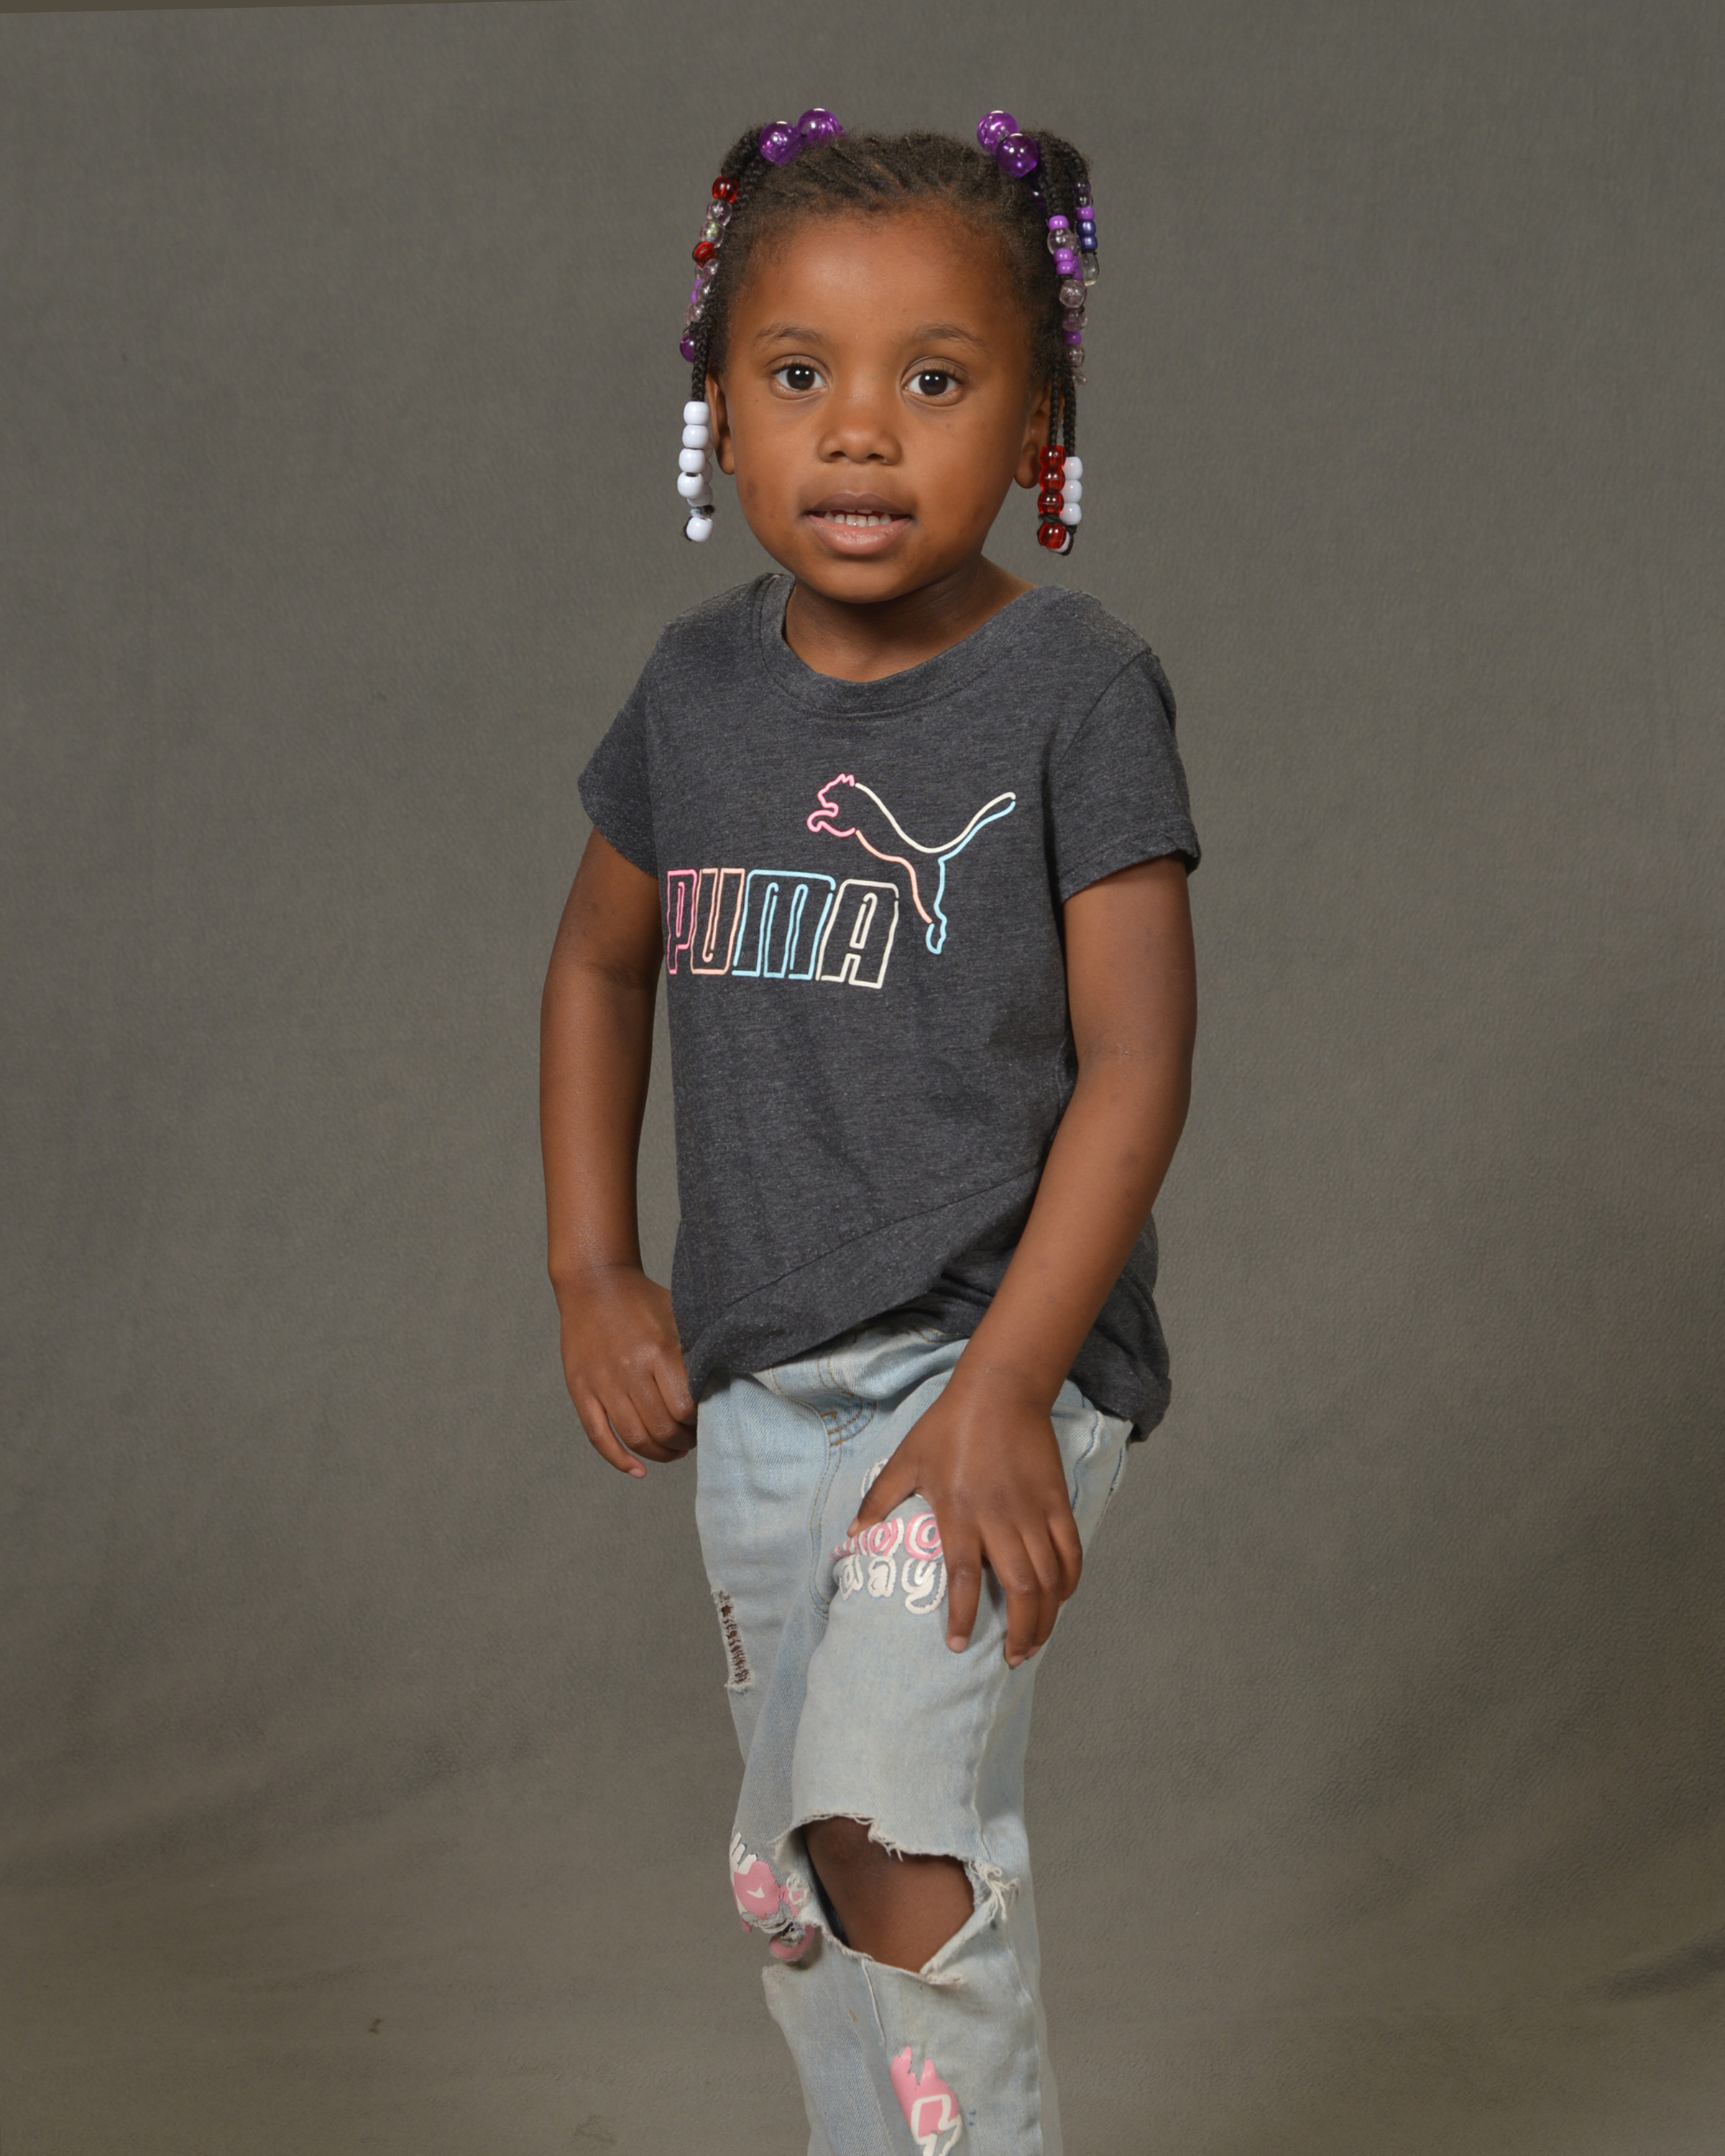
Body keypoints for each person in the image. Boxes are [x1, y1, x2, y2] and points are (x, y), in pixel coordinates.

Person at [540, 109, 1199, 2156]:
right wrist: (592, 1265)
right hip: (765, 1388)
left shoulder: (1074, 691)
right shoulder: (693, 695)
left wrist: (1005, 1385)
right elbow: (597, 967)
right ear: (717, 412)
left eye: (934, 379)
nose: (856, 430)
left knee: (894, 1826)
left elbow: (1140, 1062)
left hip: (991, 1363)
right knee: (799, 1874)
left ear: (1038, 423)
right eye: (796, 372)